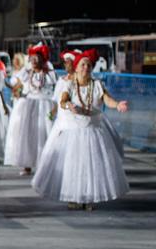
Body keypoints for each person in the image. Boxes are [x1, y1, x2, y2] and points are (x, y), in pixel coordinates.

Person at [32, 50, 129, 210]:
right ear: (76, 68)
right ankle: (74, 197)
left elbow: (106, 99)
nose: (86, 67)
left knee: (91, 167)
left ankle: (89, 197)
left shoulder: (97, 85)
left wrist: (117, 104)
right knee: (73, 166)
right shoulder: (69, 84)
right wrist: (68, 104)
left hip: (92, 131)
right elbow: (63, 100)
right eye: (83, 65)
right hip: (74, 132)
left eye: (89, 65)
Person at [4, 43, 57, 175]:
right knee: (29, 135)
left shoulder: (48, 70)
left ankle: (45, 164)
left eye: (36, 58)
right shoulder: (27, 71)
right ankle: (27, 164)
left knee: (44, 134)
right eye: (31, 58)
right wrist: (15, 89)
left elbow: (53, 85)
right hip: (30, 105)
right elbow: (17, 83)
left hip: (44, 104)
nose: (33, 61)